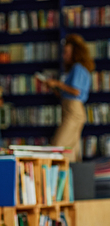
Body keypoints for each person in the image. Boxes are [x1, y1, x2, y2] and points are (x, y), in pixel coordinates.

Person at [46, 34, 94, 162]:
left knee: (58, 146)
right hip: (71, 109)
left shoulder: (78, 68)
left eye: (66, 52)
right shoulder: (77, 69)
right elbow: (66, 94)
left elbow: (76, 91)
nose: (64, 55)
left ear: (75, 52)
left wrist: (57, 83)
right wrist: (54, 87)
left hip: (73, 111)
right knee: (71, 151)